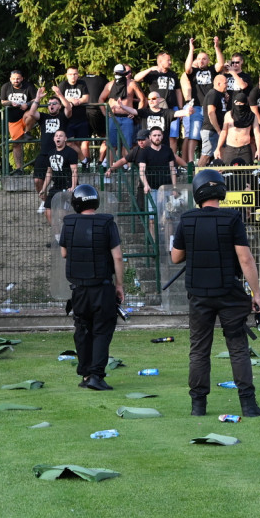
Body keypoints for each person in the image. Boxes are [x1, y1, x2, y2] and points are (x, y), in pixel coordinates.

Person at [171, 169, 260, 418]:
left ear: (197, 193)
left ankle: (198, 406)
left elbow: (175, 256)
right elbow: (245, 259)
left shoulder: (187, 219)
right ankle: (248, 404)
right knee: (237, 347)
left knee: (199, 349)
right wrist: (257, 293)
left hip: (199, 294)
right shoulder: (232, 218)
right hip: (229, 292)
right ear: (221, 190)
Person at [59, 184, 124, 391]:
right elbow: (118, 256)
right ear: (96, 201)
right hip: (102, 287)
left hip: (78, 289)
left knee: (83, 330)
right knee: (102, 331)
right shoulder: (107, 223)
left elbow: (64, 253)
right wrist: (120, 285)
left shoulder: (68, 224)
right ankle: (97, 375)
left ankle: (86, 374)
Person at [183, 37, 225, 164]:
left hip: (210, 108)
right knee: (194, 135)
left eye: (204, 59)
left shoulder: (212, 70)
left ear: (208, 61)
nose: (201, 61)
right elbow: (187, 68)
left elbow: (221, 64)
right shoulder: (193, 72)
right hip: (196, 107)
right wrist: (191, 50)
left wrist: (217, 47)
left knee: (212, 134)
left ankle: (214, 160)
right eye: (199, 59)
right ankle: (191, 161)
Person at [134, 52, 184, 156]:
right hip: (156, 109)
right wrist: (150, 69)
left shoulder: (172, 74)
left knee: (172, 136)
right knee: (155, 135)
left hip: (172, 109)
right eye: (168, 60)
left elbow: (178, 91)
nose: (170, 62)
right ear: (160, 61)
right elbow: (136, 78)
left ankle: (172, 159)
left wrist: (180, 107)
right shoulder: (153, 74)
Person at [0, 70, 38, 173]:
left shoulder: (28, 86)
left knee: (32, 114)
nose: (16, 80)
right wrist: (10, 103)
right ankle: (19, 168)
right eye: (13, 79)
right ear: (10, 79)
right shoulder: (6, 87)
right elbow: (2, 102)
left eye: (18, 78)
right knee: (16, 144)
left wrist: (28, 104)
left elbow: (36, 99)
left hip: (25, 115)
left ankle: (27, 132)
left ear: (22, 78)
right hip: (13, 119)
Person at [39, 129, 78, 226]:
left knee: (62, 212)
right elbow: (49, 172)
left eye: (61, 136)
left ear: (65, 139)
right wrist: (43, 189)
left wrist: (73, 187)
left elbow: (74, 171)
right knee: (48, 211)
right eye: (56, 136)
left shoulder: (71, 152)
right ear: (53, 139)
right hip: (56, 186)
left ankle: (65, 232)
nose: (58, 137)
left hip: (67, 185)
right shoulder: (50, 153)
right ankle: (57, 235)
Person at [138, 126, 178, 215]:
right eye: (155, 135)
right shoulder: (145, 152)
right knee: (152, 218)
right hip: (152, 189)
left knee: (168, 217)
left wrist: (174, 187)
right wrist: (146, 185)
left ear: (162, 136)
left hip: (167, 188)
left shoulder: (168, 150)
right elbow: (141, 170)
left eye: (159, 135)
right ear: (150, 137)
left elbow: (172, 170)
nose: (157, 137)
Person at [218, 92, 260, 164]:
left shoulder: (252, 116)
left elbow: (257, 133)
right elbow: (224, 132)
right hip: (230, 148)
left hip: (245, 149)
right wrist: (218, 148)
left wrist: (259, 150)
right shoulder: (229, 115)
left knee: (247, 173)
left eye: (241, 103)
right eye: (237, 103)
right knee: (227, 172)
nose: (238, 106)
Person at [199, 73, 228, 166]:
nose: (227, 85)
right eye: (225, 83)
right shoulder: (213, 94)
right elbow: (211, 112)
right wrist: (218, 129)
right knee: (206, 154)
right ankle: (196, 176)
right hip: (211, 130)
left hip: (218, 130)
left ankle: (221, 175)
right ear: (219, 84)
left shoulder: (220, 95)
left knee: (222, 153)